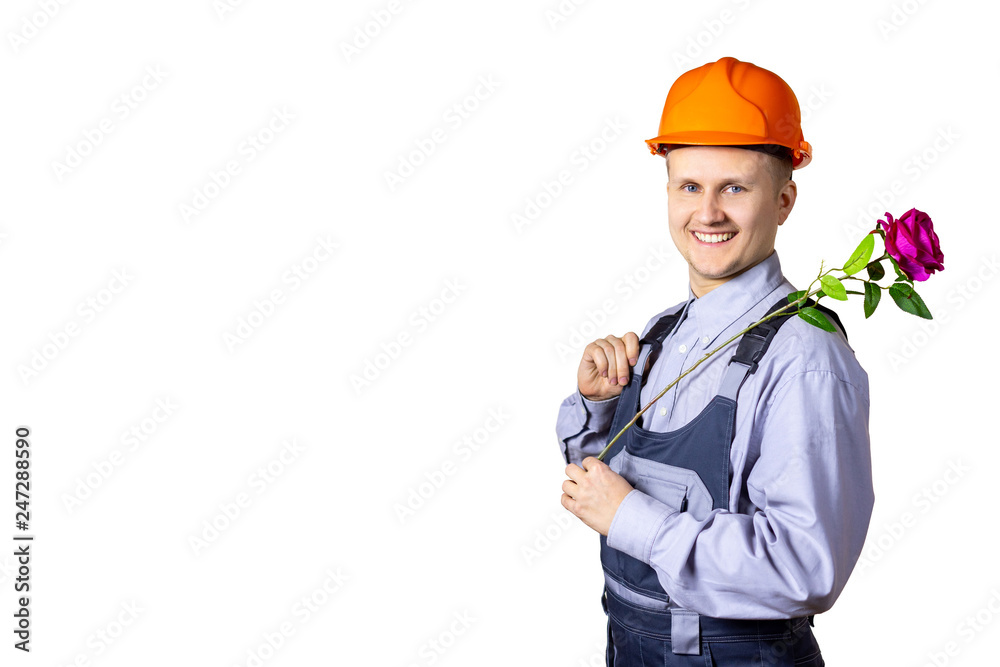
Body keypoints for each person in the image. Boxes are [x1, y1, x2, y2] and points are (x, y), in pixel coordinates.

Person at [554, 56, 874, 666]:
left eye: (734, 187)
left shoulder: (805, 358)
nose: (708, 213)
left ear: (784, 200)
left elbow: (806, 567)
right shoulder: (659, 332)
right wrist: (597, 410)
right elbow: (605, 493)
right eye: (690, 186)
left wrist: (634, 520)